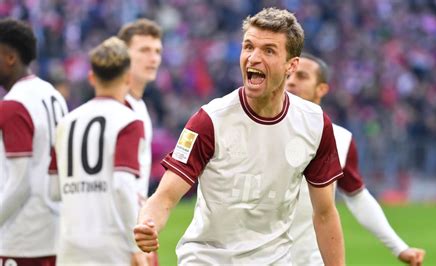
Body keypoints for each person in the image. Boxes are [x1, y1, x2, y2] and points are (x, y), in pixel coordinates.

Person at [134, 8, 345, 265]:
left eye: (268, 50)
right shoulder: (210, 120)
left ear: (292, 65)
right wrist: (148, 223)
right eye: (248, 47)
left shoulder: (314, 123)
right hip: (208, 259)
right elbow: (165, 196)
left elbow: (324, 213)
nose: (253, 58)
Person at [286, 53, 426, 266]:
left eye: (302, 76)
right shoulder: (259, 128)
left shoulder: (340, 139)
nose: (292, 81)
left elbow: (357, 197)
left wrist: (399, 248)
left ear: (321, 89)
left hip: (311, 261)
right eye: (288, 75)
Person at [53, 37, 147, 265]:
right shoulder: (129, 121)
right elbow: (122, 186)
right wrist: (134, 246)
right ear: (128, 77)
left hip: (69, 244)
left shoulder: (66, 122)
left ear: (91, 78)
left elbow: (54, 190)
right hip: (111, 247)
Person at [0, 18, 68, 265]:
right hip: (56, 228)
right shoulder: (53, 94)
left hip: (23, 236)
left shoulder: (13, 105)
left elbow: (20, 183)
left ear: (9, 57)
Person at [118, 18, 163, 266]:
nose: (153, 58)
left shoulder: (139, 105)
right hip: (122, 235)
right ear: (124, 55)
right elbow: (117, 184)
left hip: (137, 227)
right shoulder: (119, 108)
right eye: (144, 50)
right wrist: (130, 244)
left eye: (157, 51)